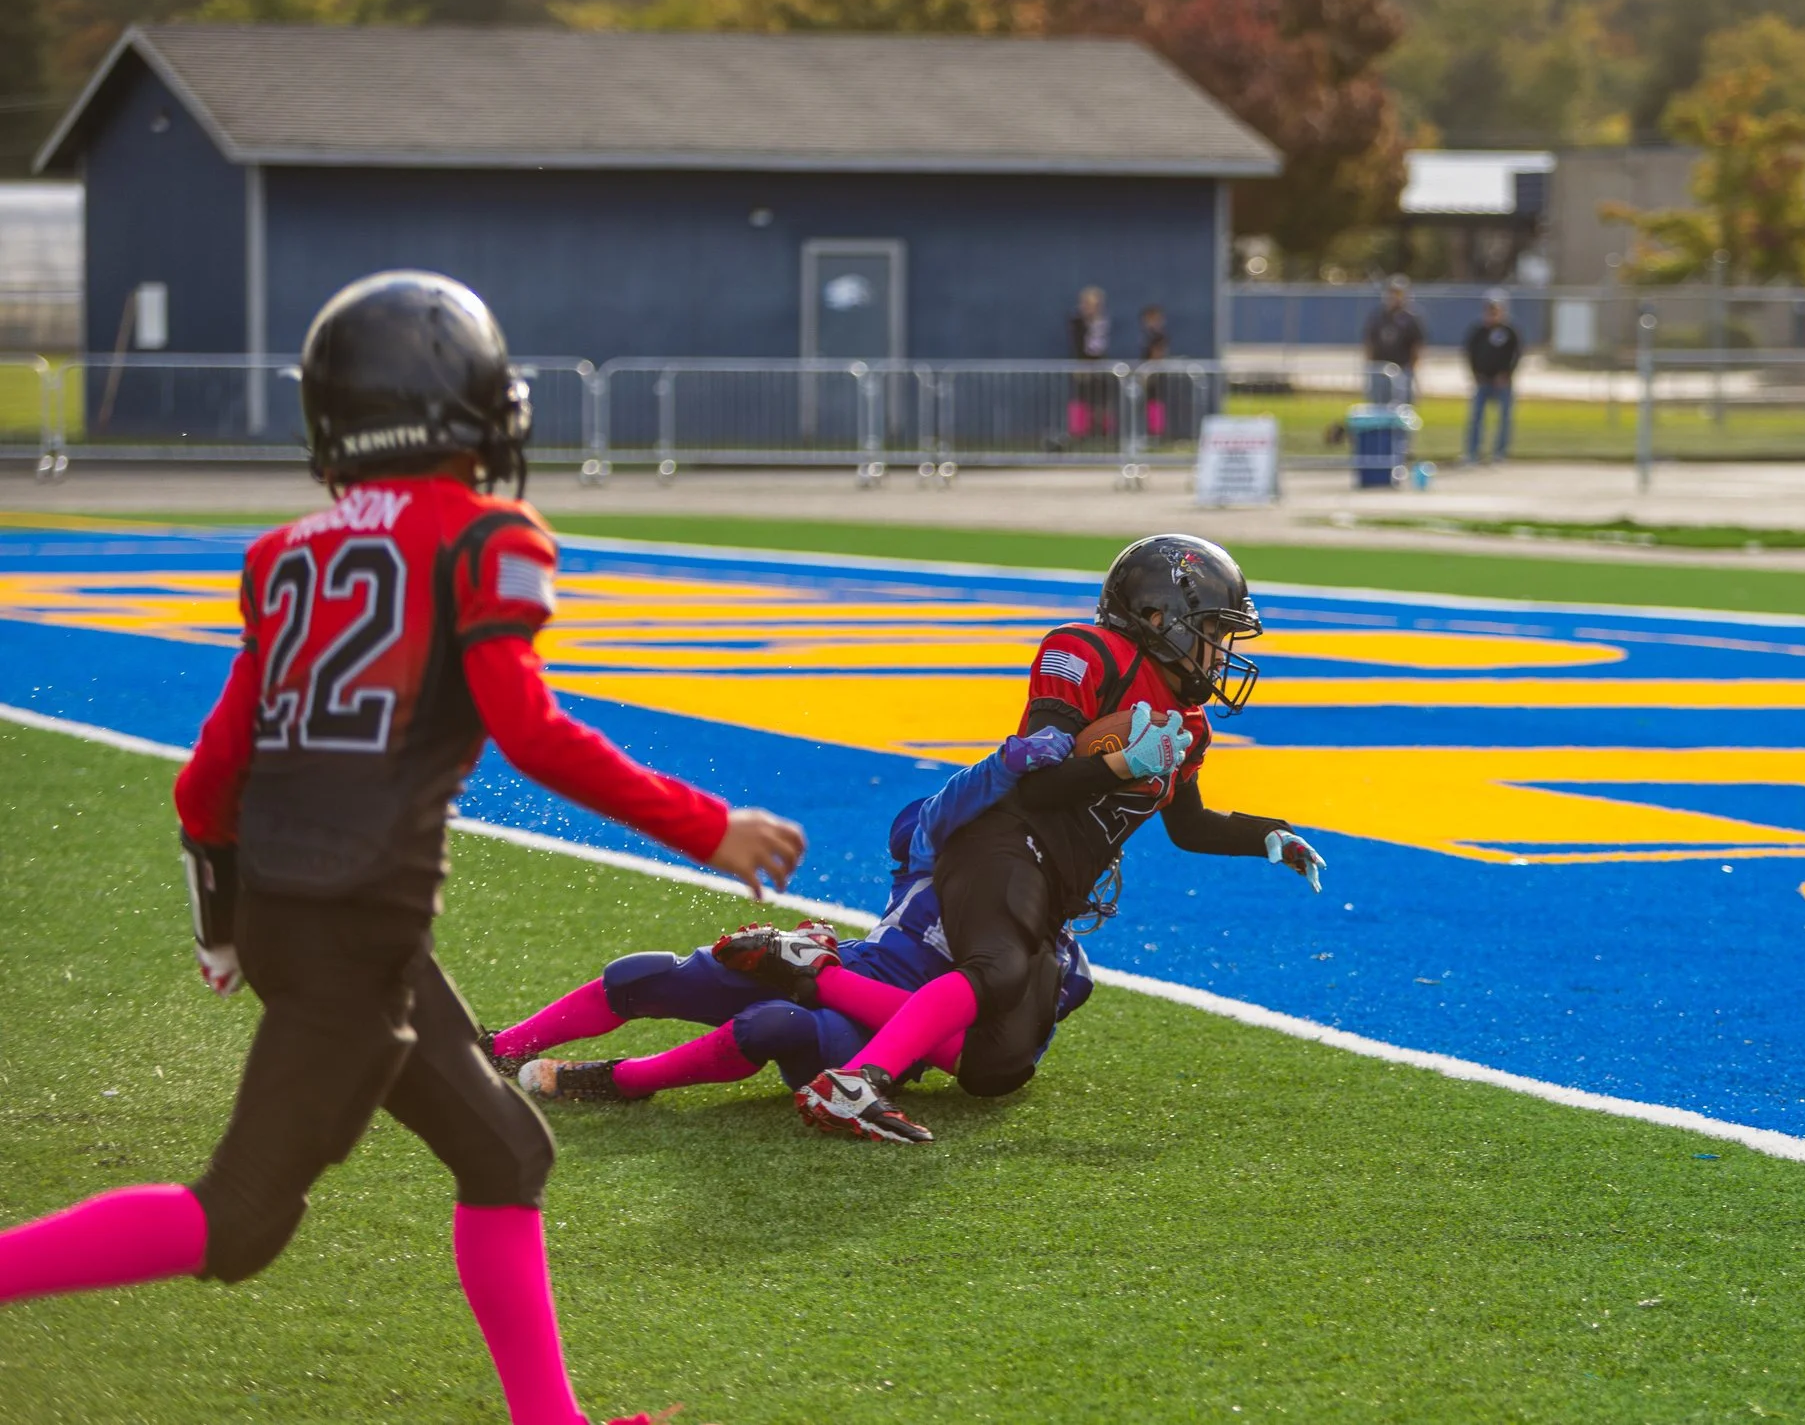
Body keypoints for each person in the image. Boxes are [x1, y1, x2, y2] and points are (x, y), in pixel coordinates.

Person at [0, 271, 806, 1425]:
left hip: (297, 910)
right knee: (237, 1217)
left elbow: (208, 776)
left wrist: (222, 925)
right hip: (355, 929)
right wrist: (706, 824)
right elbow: (527, 731)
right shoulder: (484, 537)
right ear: (460, 405)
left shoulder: (285, 555)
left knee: (504, 1151)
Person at [792, 534, 1331, 1144]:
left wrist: (1270, 836)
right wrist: (1123, 764)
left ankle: (809, 970)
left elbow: (1190, 826)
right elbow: (1037, 785)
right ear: (1159, 618)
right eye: (1212, 629)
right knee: (994, 971)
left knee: (998, 1065)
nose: (1220, 653)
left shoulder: (1190, 725)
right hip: (1003, 836)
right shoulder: (1086, 652)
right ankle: (857, 1083)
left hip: (1052, 882)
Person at [494, 729, 1094, 1109]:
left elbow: (982, 1060)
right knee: (645, 976)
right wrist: (1005, 765)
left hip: (866, 1032)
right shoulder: (958, 841)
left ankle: (619, 1081)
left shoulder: (1056, 958)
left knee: (773, 1025)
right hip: (854, 961)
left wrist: (822, 982)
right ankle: (502, 1048)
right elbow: (943, 810)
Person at [1463, 289, 1522, 465]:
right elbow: (1469, 353)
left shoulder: (1510, 331)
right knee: (1476, 417)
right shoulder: (1478, 331)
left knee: (1504, 418)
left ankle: (1500, 453)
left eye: (1496, 309)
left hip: (1502, 382)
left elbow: (1516, 354)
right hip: (1483, 381)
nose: (1493, 313)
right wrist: (1475, 374)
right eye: (1490, 309)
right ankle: (1472, 452)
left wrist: (1507, 374)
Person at [1361, 276, 1425, 405]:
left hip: (1402, 367)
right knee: (1378, 404)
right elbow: (1369, 342)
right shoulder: (1377, 316)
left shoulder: (1410, 318)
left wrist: (1412, 367)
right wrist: (1369, 365)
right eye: (1392, 293)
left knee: (1402, 405)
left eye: (1398, 293)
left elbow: (1417, 345)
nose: (1394, 297)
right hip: (1379, 367)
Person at [1066, 285, 1113, 444]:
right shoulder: (1077, 321)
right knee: (1081, 400)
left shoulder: (1102, 321)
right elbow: (1079, 343)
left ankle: (1103, 435)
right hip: (1083, 365)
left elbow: (1099, 345)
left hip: (1099, 365)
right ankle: (1079, 435)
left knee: (1101, 401)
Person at [1138, 303, 1172, 441]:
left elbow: (1157, 355)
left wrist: (1148, 372)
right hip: (1147, 373)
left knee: (1155, 403)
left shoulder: (1159, 336)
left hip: (1154, 375)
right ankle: (1148, 434)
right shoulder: (1146, 335)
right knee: (1146, 404)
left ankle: (1156, 435)